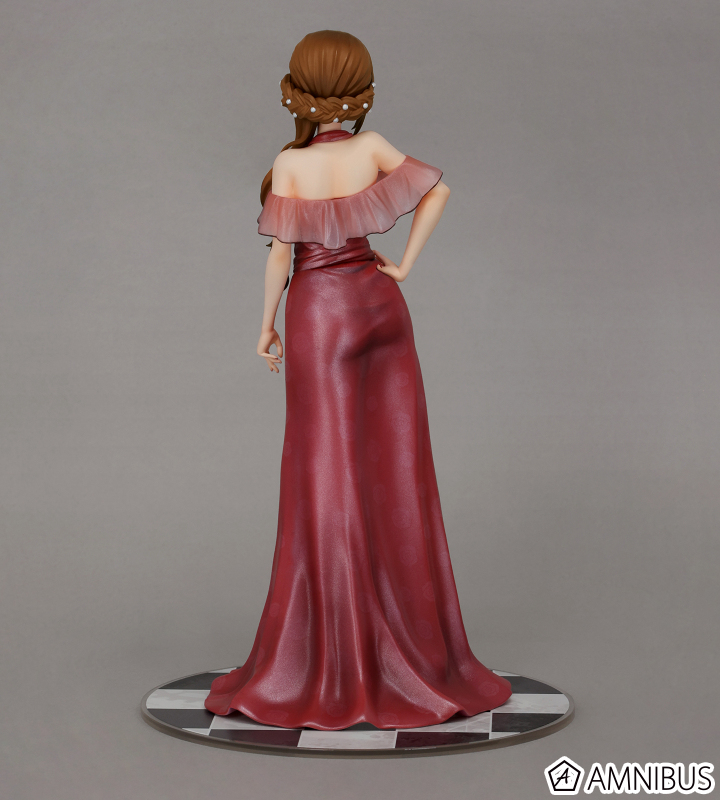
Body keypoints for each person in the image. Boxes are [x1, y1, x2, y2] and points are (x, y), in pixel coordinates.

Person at [204, 29, 512, 731]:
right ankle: (407, 647)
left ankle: (337, 658)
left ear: (296, 92)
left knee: (327, 471)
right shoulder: (371, 149)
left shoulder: (289, 164)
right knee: (395, 466)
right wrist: (404, 266)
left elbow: (281, 255)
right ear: (360, 92)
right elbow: (438, 191)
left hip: (322, 316)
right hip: (381, 308)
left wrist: (265, 326)